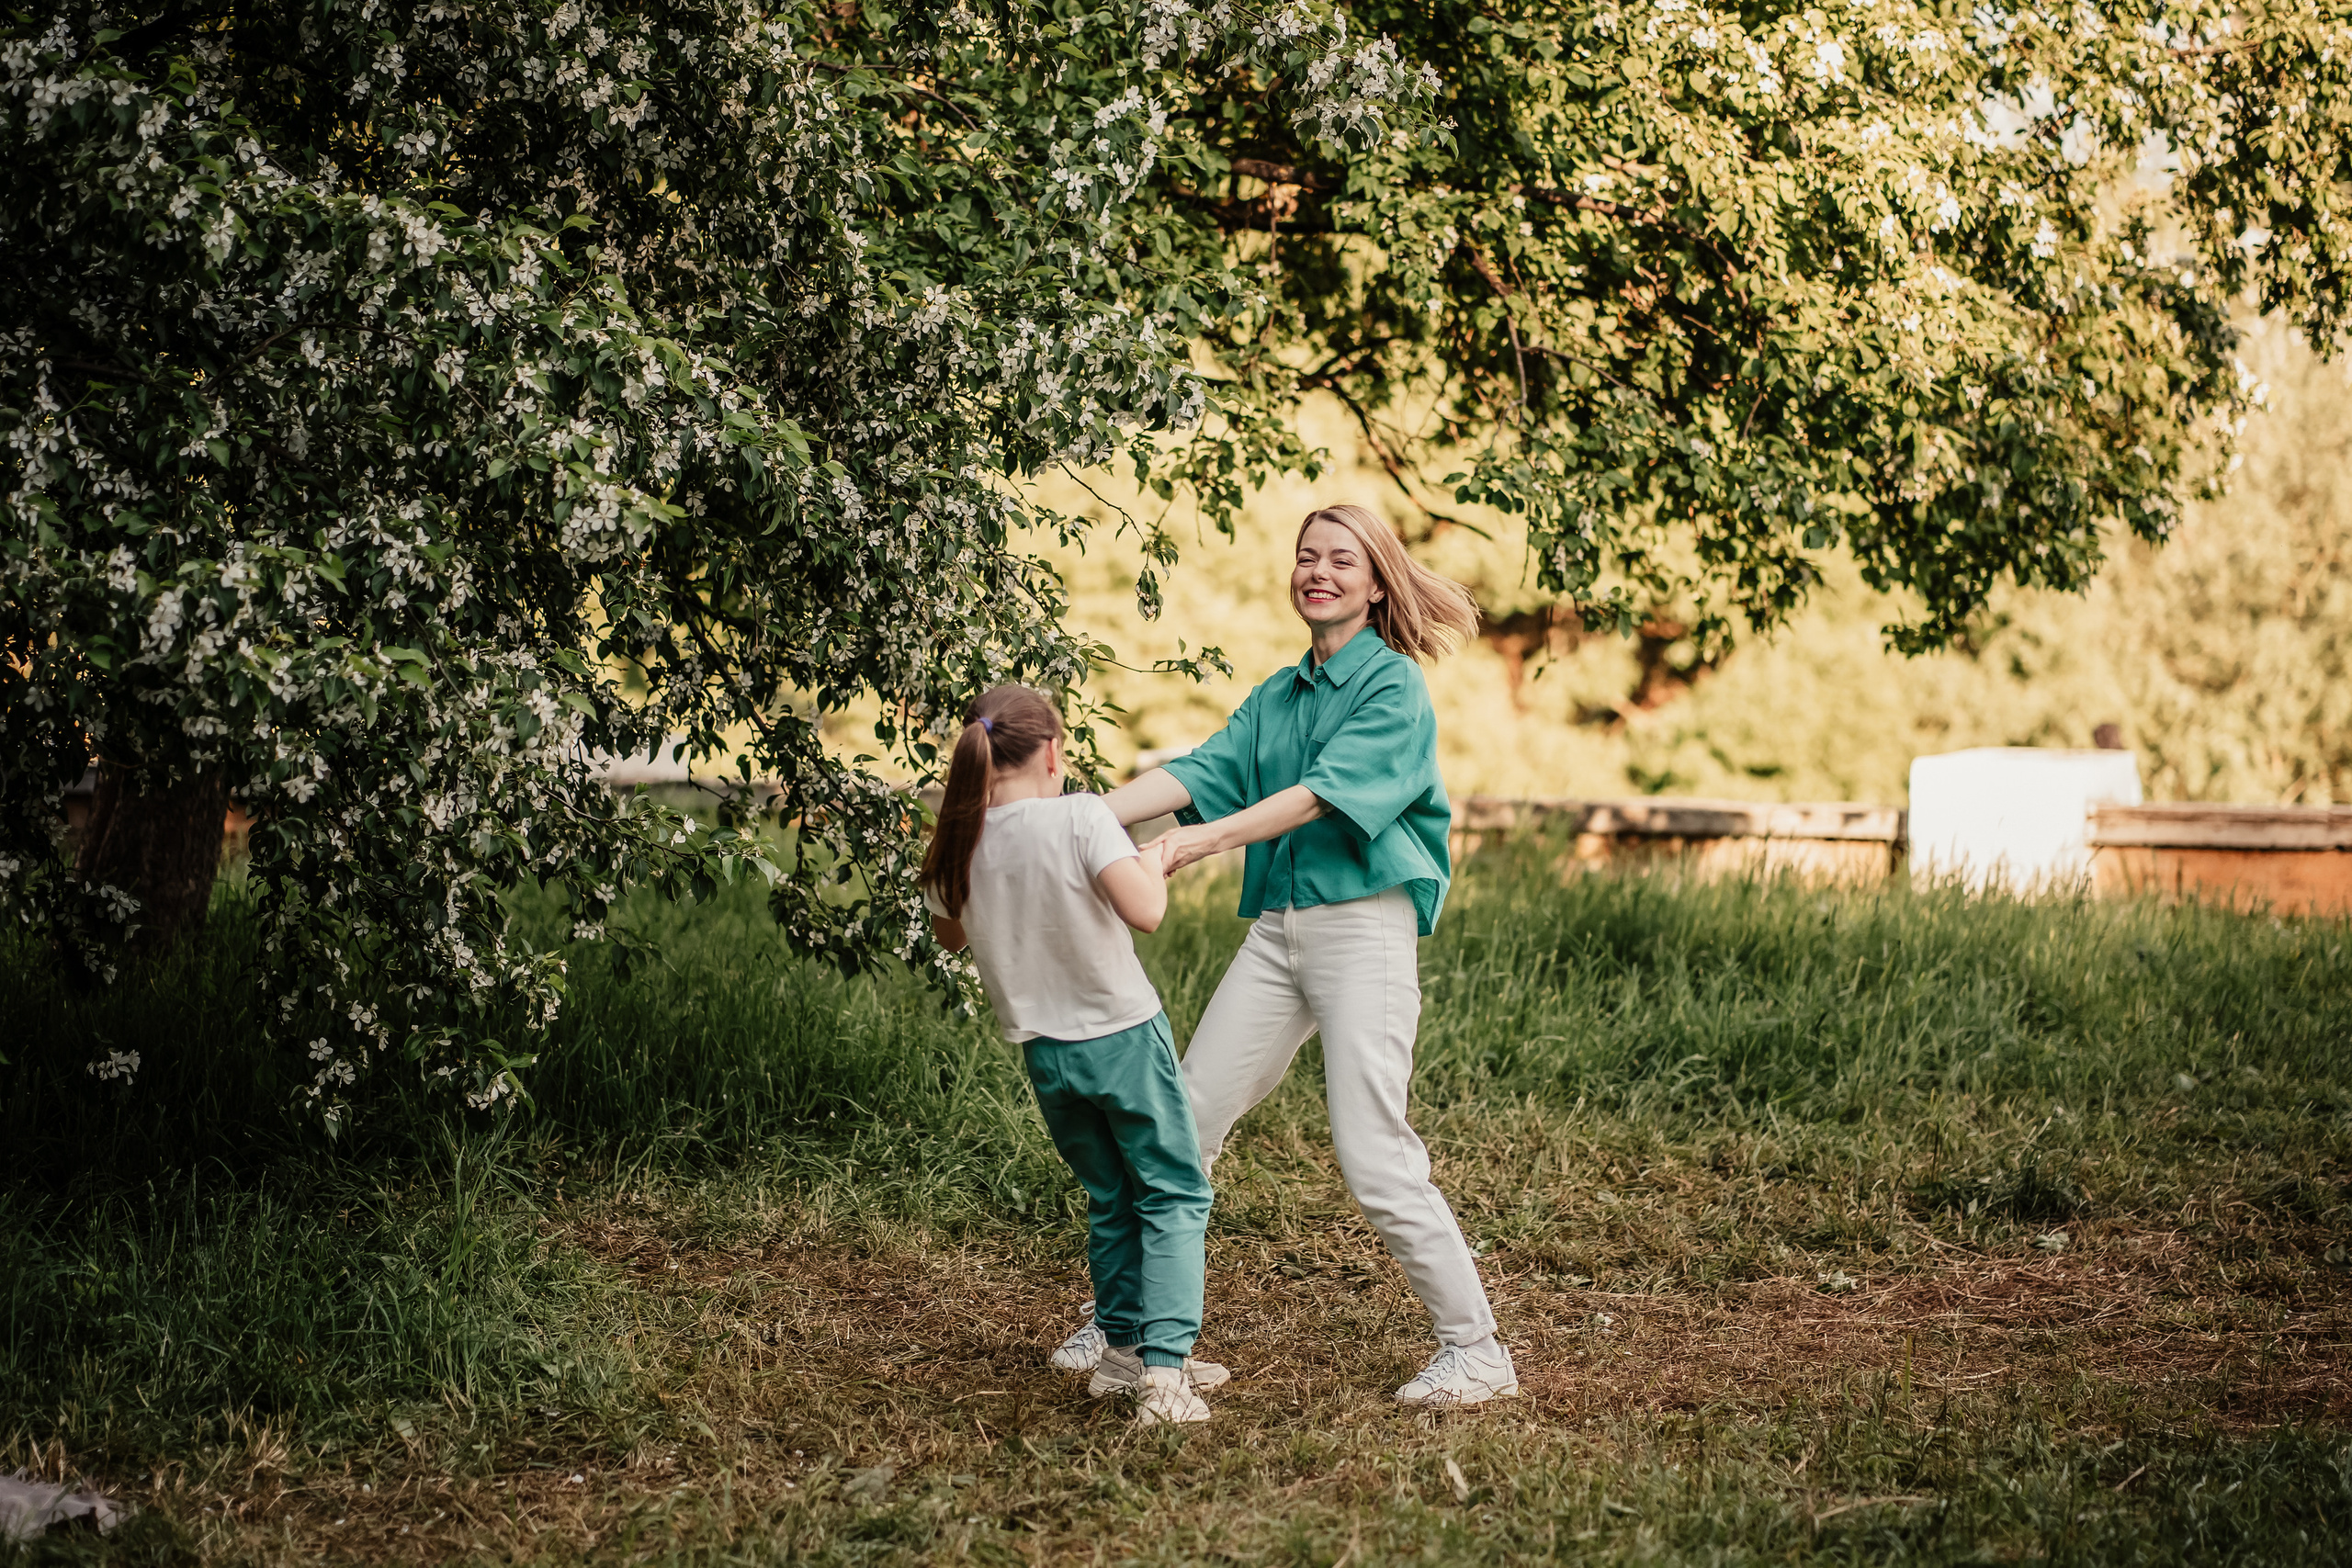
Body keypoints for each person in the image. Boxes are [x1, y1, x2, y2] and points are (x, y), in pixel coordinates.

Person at [1083, 502, 1520, 1406]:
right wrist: (1076, 821)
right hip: (1278, 931)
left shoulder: (1391, 688)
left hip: (1362, 928)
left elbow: (1321, 797)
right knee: (1185, 1122)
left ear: (1374, 583)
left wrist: (1194, 846)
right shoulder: (1279, 696)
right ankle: (1124, 1331)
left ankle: (1476, 1352)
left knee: (1374, 1152)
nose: (1317, 572)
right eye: (1305, 558)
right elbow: (1200, 772)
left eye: (1340, 561)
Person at [921, 683, 1228, 1427]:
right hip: (1120, 1036)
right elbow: (1145, 912)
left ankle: (1122, 1356)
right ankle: (1164, 1374)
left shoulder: (957, 837)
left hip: (1045, 1055)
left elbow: (951, 935)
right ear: (1054, 751)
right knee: (1174, 1190)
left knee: (1112, 1194)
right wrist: (1152, 858)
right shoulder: (1083, 815)